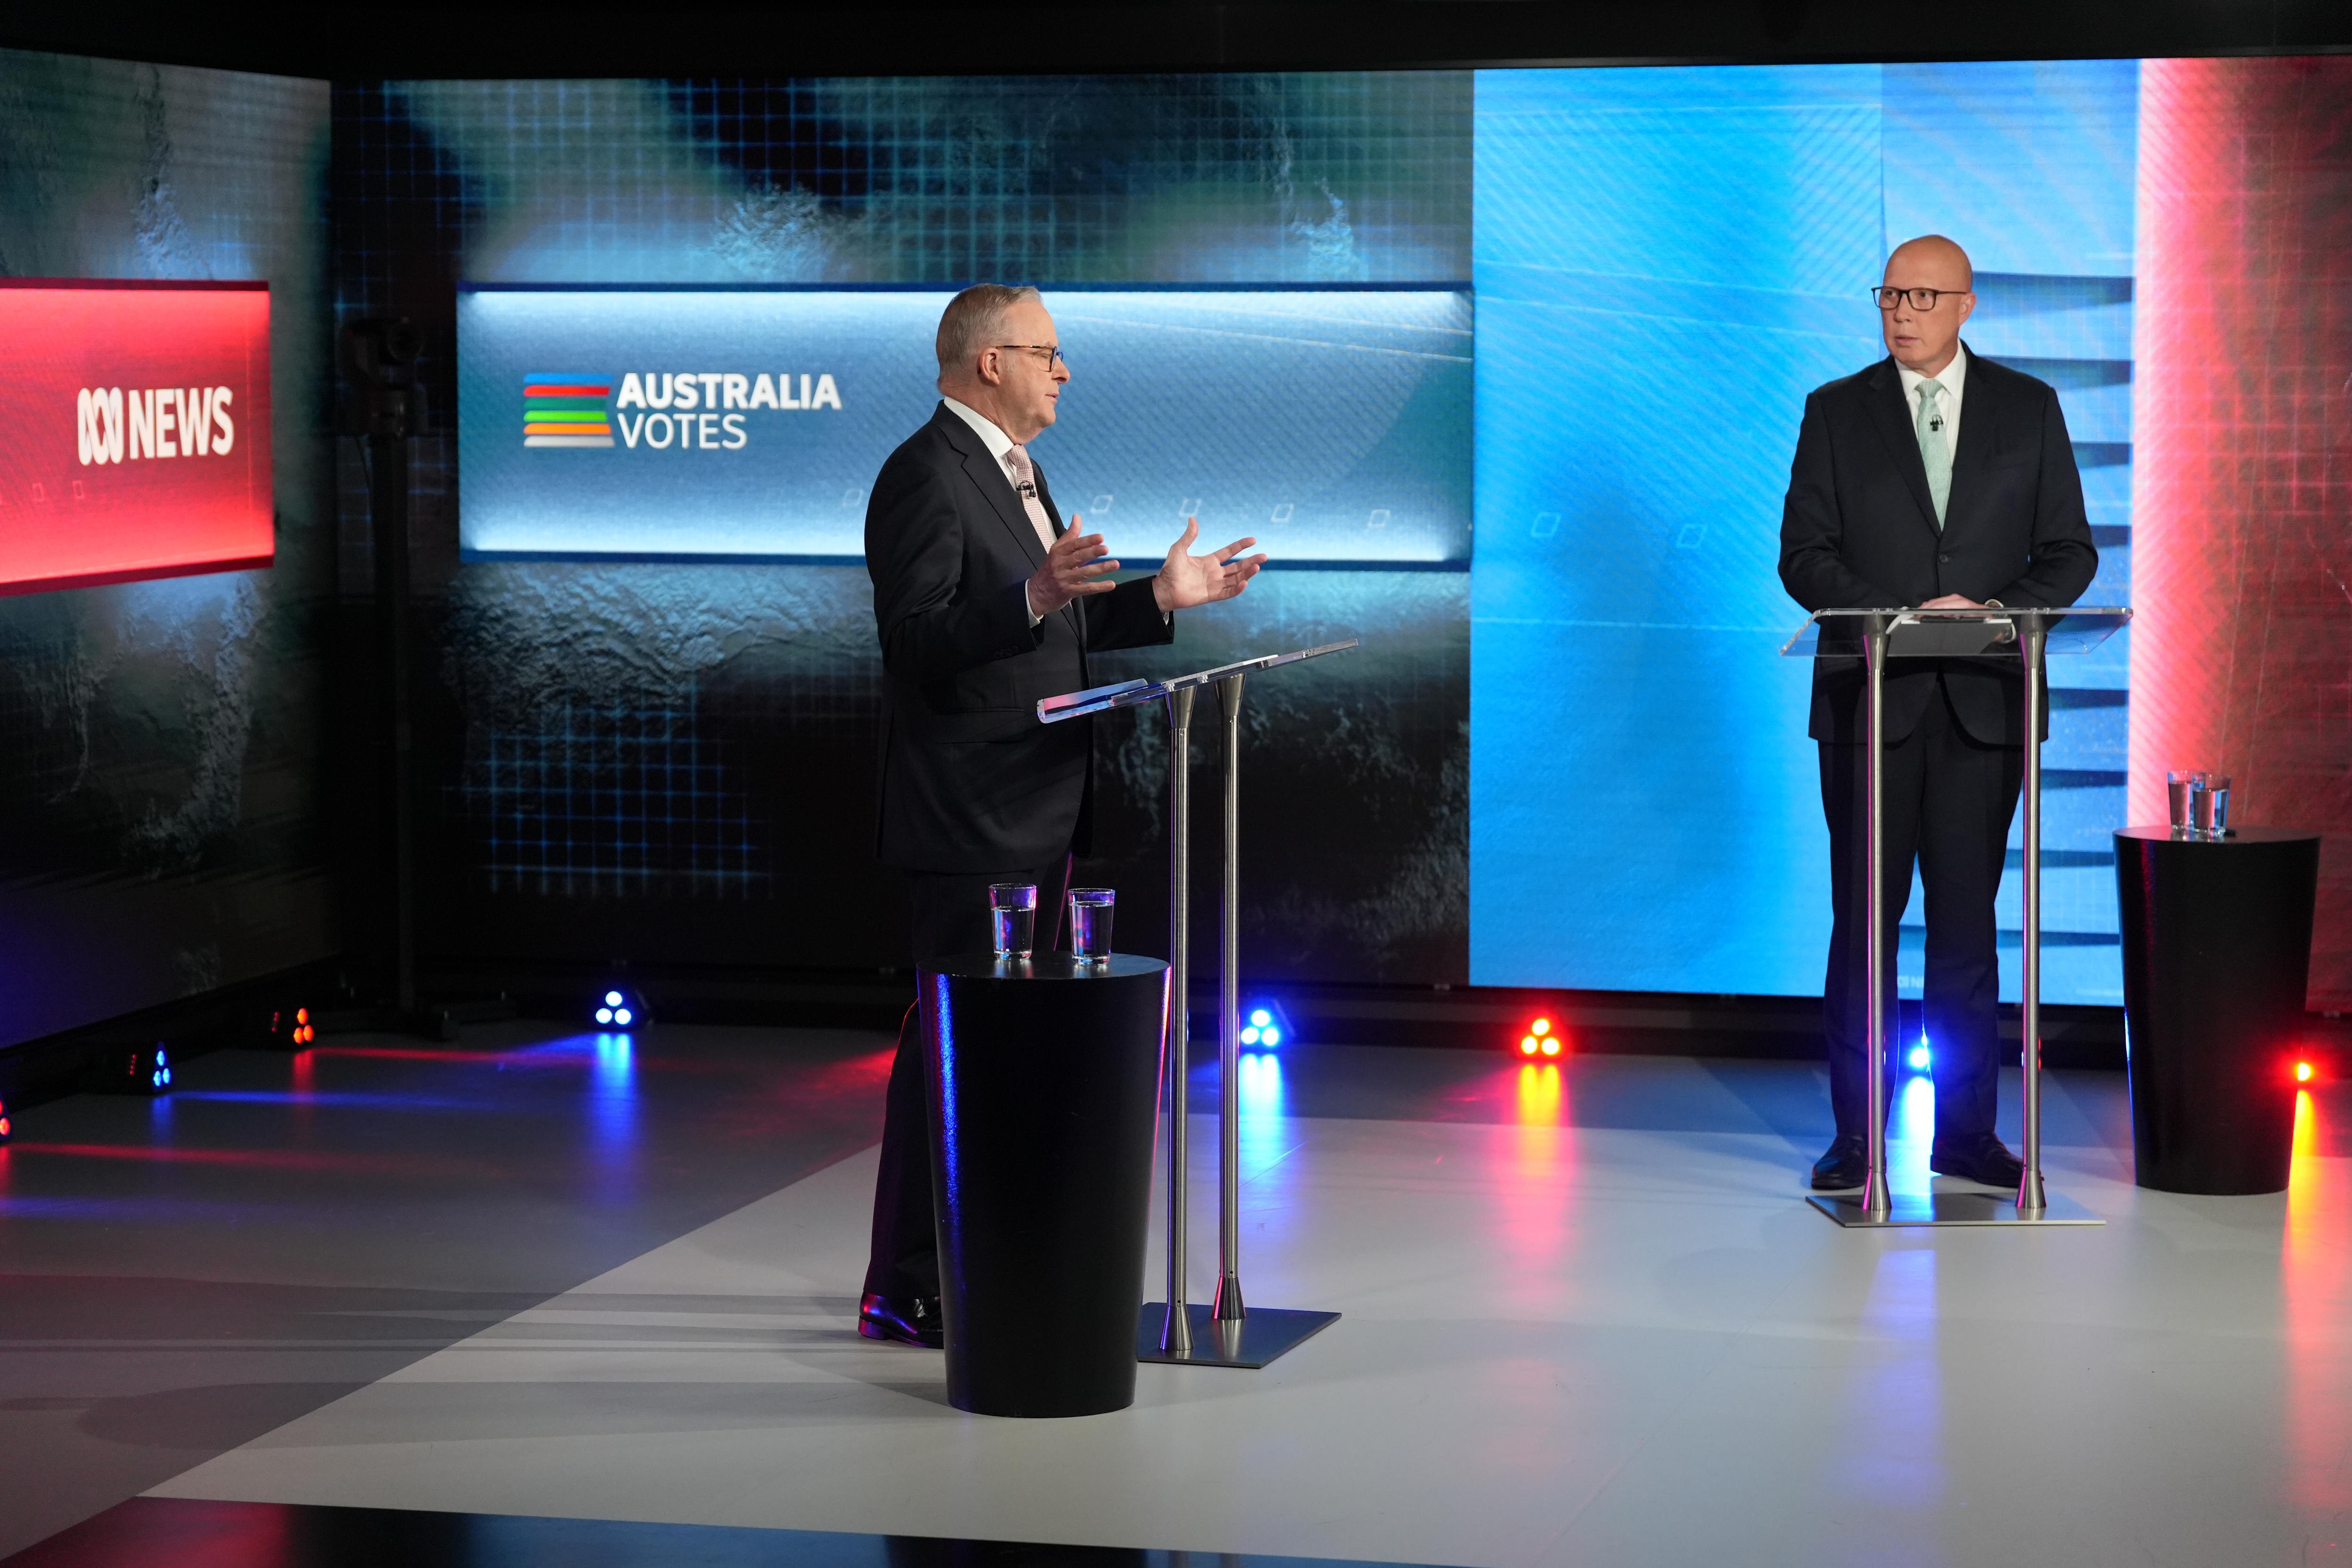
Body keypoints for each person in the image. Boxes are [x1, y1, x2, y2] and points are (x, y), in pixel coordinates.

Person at [857, 284, 1267, 1346]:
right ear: (988, 361)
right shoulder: (923, 474)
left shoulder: (1020, 471)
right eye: (1048, 351)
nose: (1065, 370)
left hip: (1039, 805)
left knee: (1010, 1054)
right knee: (950, 1052)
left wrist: (1160, 598)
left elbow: (1052, 631)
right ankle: (901, 1282)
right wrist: (1034, 595)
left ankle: (986, 1261)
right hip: (971, 816)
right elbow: (917, 642)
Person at [1778, 235, 2098, 1194]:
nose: (1899, 311)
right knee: (1861, 928)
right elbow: (1803, 554)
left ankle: (1965, 1134)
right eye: (1888, 294)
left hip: (1981, 710)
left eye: (1920, 295)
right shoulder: (1836, 411)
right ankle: (1855, 1140)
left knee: (1966, 930)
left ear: (1966, 304)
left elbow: (2068, 552)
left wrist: (1995, 612)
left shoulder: (2028, 409)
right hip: (1869, 704)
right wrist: (1899, 614)